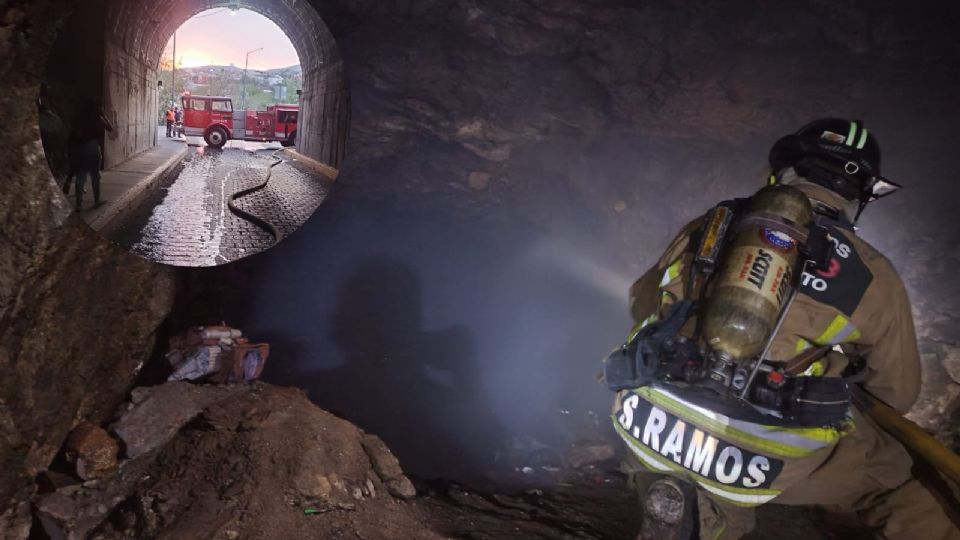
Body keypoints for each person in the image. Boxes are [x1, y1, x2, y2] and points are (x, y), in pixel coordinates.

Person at [609, 118, 960, 539]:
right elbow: (896, 394)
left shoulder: (712, 225)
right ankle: (716, 499)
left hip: (644, 415)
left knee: (707, 488)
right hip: (751, 452)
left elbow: (641, 303)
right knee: (904, 481)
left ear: (783, 172)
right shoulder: (870, 272)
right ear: (860, 197)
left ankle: (696, 510)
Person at [68, 99, 114, 212]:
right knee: (95, 176)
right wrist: (103, 114)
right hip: (92, 147)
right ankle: (96, 200)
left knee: (80, 176)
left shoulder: (79, 119)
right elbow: (110, 127)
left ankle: (79, 204)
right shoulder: (97, 118)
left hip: (79, 148)